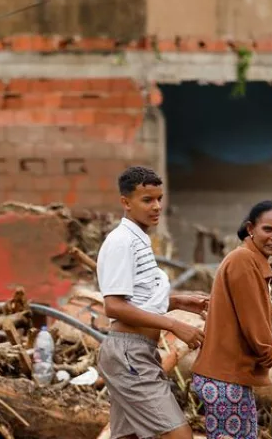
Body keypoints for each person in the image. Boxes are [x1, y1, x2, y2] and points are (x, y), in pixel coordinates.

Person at [96, 166, 210, 439]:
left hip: (138, 352)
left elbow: (139, 302)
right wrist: (175, 325)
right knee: (180, 435)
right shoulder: (122, 242)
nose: (156, 206)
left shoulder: (139, 239)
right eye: (147, 200)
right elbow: (114, 307)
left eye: (159, 198)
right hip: (129, 355)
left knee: (128, 436)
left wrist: (179, 301)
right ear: (126, 202)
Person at [191, 201, 272, 439]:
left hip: (228, 379)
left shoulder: (250, 261)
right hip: (224, 380)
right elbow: (257, 333)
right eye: (268, 229)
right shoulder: (243, 261)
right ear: (251, 228)